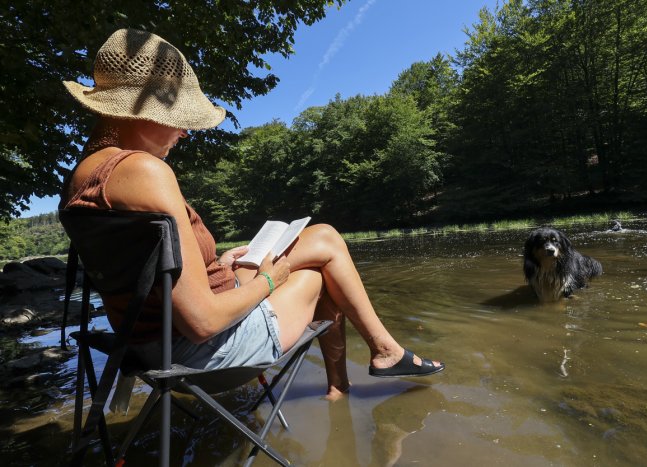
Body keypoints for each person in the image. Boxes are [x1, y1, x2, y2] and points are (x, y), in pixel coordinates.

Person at [60, 29, 444, 400]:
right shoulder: (145, 171)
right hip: (198, 352)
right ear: (141, 112)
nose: (185, 133)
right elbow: (203, 323)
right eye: (179, 119)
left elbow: (151, 276)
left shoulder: (80, 180)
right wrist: (269, 281)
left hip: (142, 343)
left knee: (322, 236)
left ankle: (367, 366)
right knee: (322, 267)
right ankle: (360, 371)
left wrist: (214, 262)